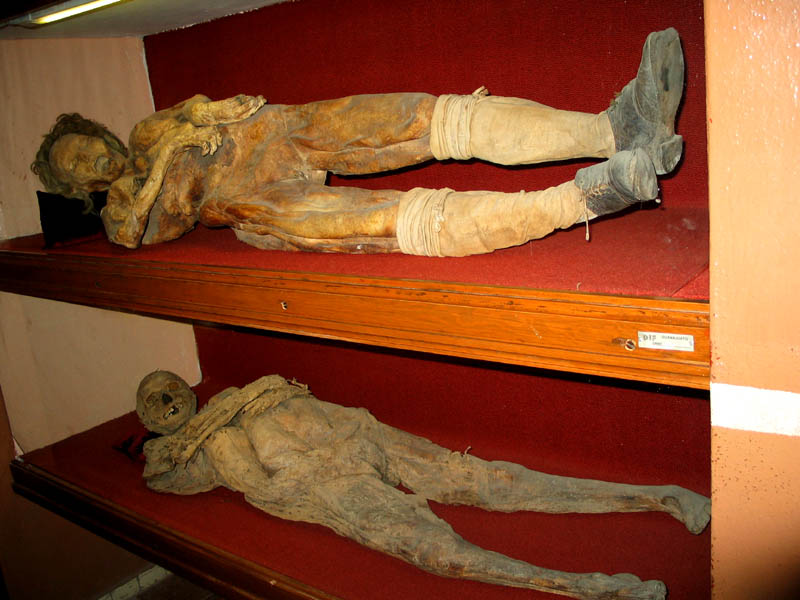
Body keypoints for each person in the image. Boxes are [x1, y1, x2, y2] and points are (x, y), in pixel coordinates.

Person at [31, 29, 684, 257]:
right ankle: (590, 196)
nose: (93, 157)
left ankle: (615, 129)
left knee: (426, 118)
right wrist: (166, 162)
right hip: (254, 201)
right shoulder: (119, 210)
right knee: (395, 220)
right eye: (79, 166)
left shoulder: (145, 129)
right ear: (78, 188)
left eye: (84, 143)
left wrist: (208, 114)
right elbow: (146, 226)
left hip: (273, 130)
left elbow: (198, 109)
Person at [137, 370, 709, 600]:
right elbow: (163, 475)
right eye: (155, 404)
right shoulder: (203, 449)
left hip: (362, 437)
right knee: (438, 553)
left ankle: (662, 495)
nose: (167, 400)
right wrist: (187, 439)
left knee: (496, 481)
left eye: (167, 387)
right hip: (334, 484)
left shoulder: (244, 396)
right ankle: (594, 588)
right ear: (154, 422)